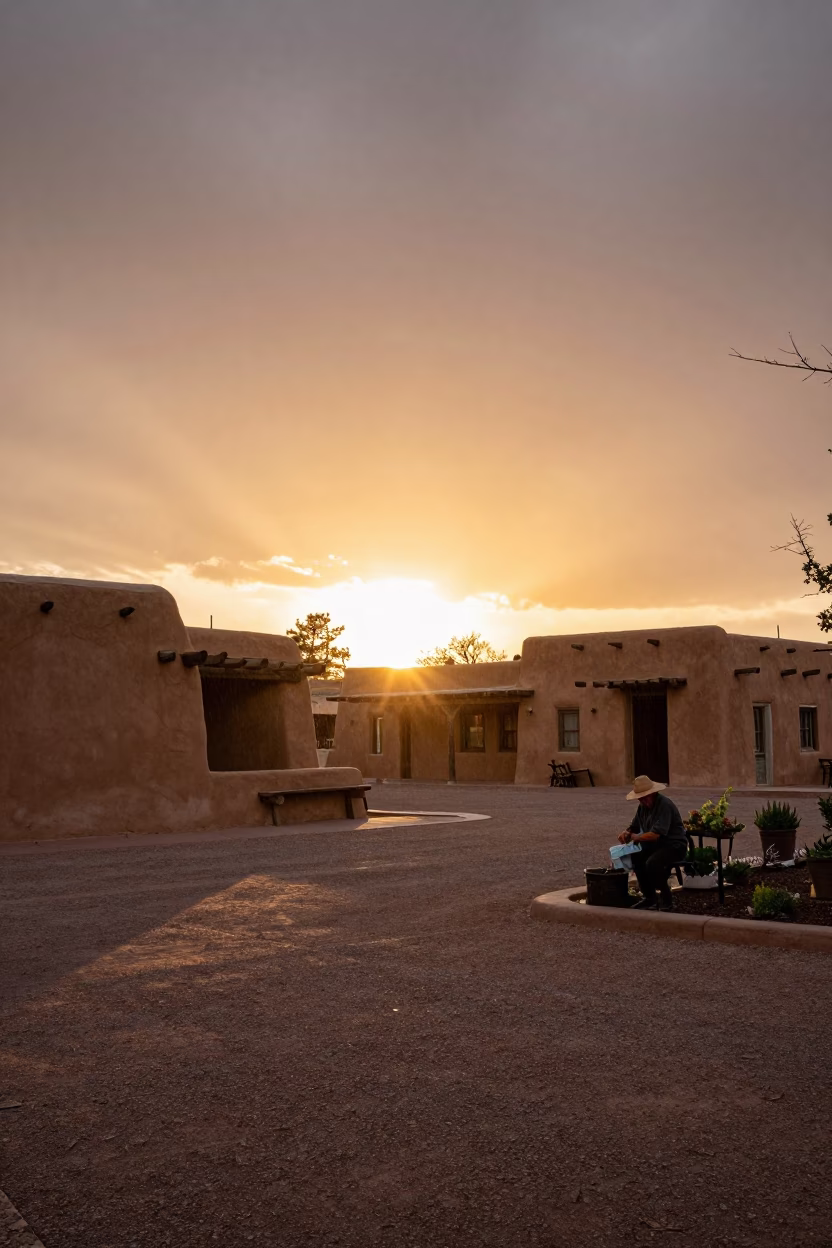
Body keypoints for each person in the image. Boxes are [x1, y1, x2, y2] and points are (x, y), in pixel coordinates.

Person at [618, 774, 688, 911]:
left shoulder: (664, 805)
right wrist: (627, 833)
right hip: (656, 845)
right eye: (641, 799)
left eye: (646, 797)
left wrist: (636, 837)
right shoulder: (642, 807)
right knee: (636, 857)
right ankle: (649, 897)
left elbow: (655, 834)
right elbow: (634, 826)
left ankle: (666, 899)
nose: (643, 801)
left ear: (653, 793)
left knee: (653, 863)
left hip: (674, 845)